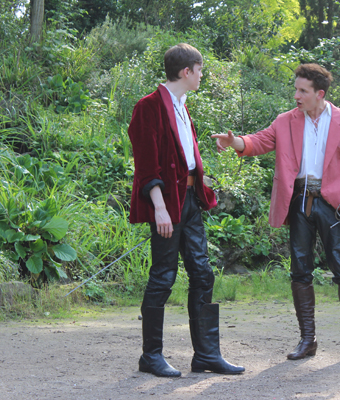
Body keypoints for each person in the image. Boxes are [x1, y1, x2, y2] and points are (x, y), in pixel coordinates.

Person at [212, 63, 340, 363]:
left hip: (333, 203)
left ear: (320, 94)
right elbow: (259, 141)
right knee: (300, 270)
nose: (296, 96)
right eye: (296, 89)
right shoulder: (285, 121)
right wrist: (235, 142)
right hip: (299, 200)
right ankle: (308, 340)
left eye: (302, 91)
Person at [128, 43, 244, 377]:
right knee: (163, 276)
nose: (202, 75)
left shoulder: (181, 105)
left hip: (190, 200)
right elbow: (146, 165)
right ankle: (151, 356)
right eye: (200, 69)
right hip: (167, 203)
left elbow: (182, 158)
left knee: (203, 273)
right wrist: (160, 208)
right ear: (186, 71)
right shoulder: (148, 106)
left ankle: (206, 354)